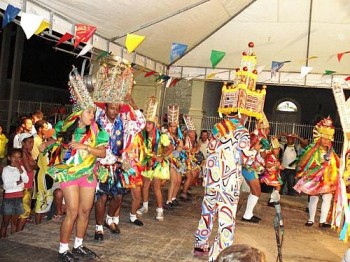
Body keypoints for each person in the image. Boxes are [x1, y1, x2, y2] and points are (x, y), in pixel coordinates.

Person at [43, 67, 109, 261]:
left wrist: (85, 147)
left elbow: (102, 152)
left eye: (94, 112)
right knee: (71, 211)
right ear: (79, 113)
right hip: (70, 174)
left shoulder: (98, 131)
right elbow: (46, 145)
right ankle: (63, 249)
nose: (92, 116)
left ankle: (78, 244)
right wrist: (51, 142)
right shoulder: (65, 128)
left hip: (88, 174)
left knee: (85, 211)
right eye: (89, 112)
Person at [193, 115, 255, 262]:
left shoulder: (217, 128)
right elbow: (245, 159)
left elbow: (211, 148)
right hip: (228, 182)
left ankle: (200, 246)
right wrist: (254, 152)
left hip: (212, 180)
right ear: (242, 114)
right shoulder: (242, 131)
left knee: (207, 213)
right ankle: (217, 255)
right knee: (226, 220)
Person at [94, 95, 145, 241]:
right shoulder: (98, 122)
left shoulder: (123, 123)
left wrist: (132, 103)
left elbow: (141, 123)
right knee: (102, 198)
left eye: (117, 108)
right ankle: (98, 228)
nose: (114, 111)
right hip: (101, 166)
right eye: (111, 107)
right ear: (106, 107)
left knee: (118, 197)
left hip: (116, 167)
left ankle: (109, 219)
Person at [294, 117, 340, 228]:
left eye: (328, 138)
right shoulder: (312, 148)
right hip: (314, 177)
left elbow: (336, 164)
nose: (326, 140)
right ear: (319, 137)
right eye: (324, 138)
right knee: (313, 197)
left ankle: (323, 221)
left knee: (327, 197)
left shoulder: (331, 151)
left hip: (327, 178)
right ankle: (311, 219)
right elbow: (303, 161)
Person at [137, 96, 172, 221]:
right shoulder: (142, 136)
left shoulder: (161, 136)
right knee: (145, 186)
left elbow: (170, 148)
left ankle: (160, 210)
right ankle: (145, 206)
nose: (147, 125)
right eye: (146, 122)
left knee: (156, 187)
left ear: (154, 124)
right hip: (147, 162)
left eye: (150, 123)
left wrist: (161, 156)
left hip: (158, 164)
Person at [0, 148, 29, 238]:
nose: (16, 160)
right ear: (9, 158)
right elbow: (7, 185)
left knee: (15, 222)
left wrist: (19, 168)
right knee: (5, 222)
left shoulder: (21, 168)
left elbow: (26, 180)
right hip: (9, 198)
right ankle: (2, 239)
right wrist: (18, 182)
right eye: (14, 157)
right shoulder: (6, 169)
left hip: (19, 196)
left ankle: (13, 239)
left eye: (19, 158)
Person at [165, 104, 184, 210]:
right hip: (170, 160)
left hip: (178, 159)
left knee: (178, 181)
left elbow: (181, 148)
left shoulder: (178, 136)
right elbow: (170, 148)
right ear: (169, 126)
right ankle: (168, 201)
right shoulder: (166, 135)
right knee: (173, 181)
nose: (173, 128)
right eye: (172, 126)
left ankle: (173, 198)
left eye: (175, 126)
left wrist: (180, 145)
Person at [17, 133, 37, 231]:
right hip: (24, 186)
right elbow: (29, 169)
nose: (32, 144)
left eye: (32, 142)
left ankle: (16, 231)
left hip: (27, 185)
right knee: (25, 211)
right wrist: (33, 164)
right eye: (29, 142)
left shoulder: (28, 153)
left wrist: (33, 164)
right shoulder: (23, 153)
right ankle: (18, 232)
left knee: (22, 210)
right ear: (23, 143)